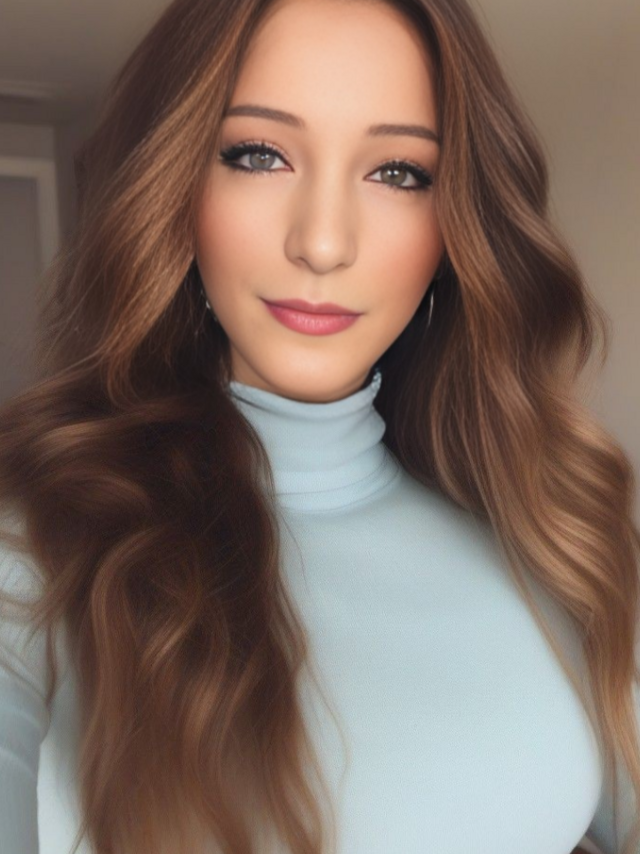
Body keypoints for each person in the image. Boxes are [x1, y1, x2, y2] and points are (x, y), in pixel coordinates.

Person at [0, 0, 638, 852]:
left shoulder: (553, 539)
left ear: (458, 223)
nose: (324, 243)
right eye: (258, 155)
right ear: (176, 184)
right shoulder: (33, 552)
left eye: (399, 172)